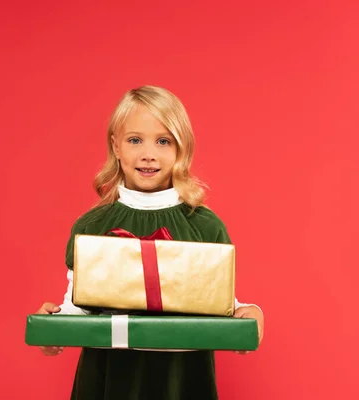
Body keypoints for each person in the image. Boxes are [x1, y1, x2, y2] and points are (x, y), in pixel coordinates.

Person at [35, 85, 264, 399]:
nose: (148, 154)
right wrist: (55, 326)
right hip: (110, 373)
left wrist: (249, 314)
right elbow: (79, 309)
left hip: (180, 377)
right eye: (134, 140)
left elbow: (220, 304)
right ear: (116, 146)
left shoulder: (204, 225)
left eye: (163, 141)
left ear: (181, 149)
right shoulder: (92, 226)